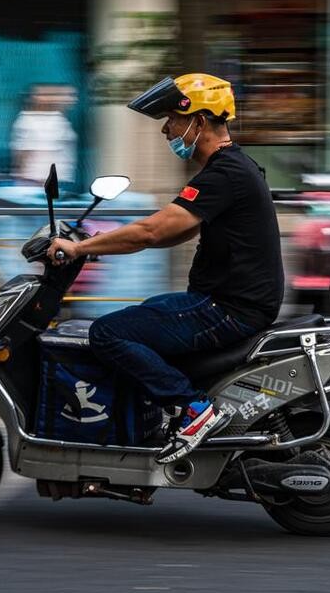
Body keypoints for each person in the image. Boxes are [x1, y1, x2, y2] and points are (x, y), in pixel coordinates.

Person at [47, 74, 284, 463]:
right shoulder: (233, 168)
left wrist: (79, 248)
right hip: (229, 303)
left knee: (107, 332)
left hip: (227, 309)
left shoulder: (225, 174)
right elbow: (174, 231)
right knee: (147, 311)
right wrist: (97, 248)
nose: (165, 129)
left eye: (172, 119)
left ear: (199, 122)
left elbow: (151, 231)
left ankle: (194, 409)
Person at [11, 84, 78, 188]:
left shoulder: (59, 119)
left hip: (59, 181)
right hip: (39, 183)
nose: (72, 99)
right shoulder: (30, 120)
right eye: (65, 95)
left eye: (72, 95)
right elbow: (24, 154)